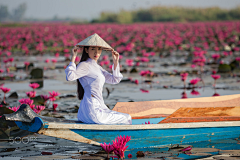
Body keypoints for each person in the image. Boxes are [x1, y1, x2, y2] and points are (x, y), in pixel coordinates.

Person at [64, 33, 132, 125]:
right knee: (127, 118)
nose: (96, 53)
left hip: (97, 107)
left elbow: (114, 79)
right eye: (93, 49)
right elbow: (70, 77)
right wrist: (73, 58)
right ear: (87, 50)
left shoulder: (97, 67)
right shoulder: (85, 65)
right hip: (92, 109)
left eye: (99, 49)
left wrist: (116, 62)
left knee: (126, 117)